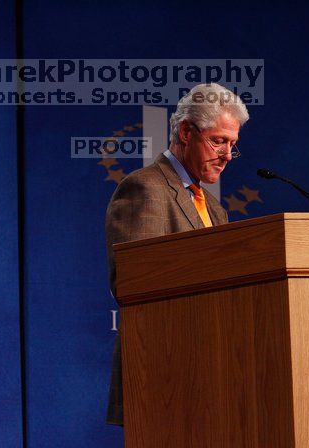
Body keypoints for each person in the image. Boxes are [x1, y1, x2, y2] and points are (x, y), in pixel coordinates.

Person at [104, 83, 249, 426]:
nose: (227, 155)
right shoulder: (147, 187)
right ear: (186, 132)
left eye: (233, 145)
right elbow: (135, 284)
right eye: (219, 141)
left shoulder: (214, 208)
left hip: (210, 372)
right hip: (162, 373)